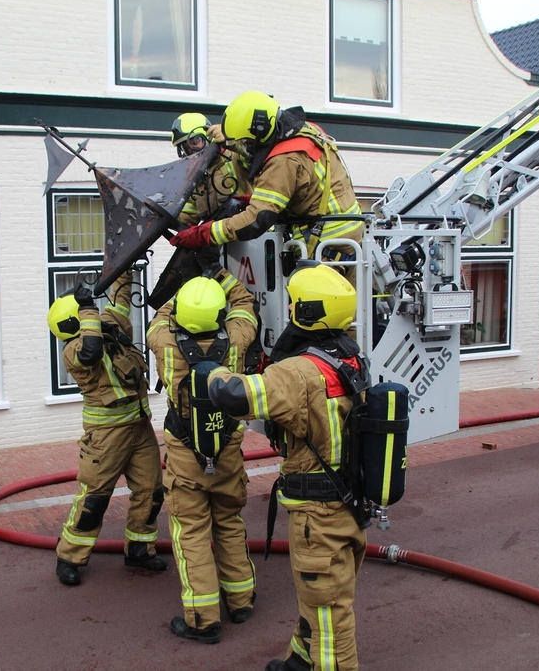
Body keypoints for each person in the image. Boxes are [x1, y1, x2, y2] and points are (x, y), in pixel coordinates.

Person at [206, 263, 368, 671]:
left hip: (319, 512)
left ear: (306, 311)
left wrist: (211, 370)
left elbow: (236, 396)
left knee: (329, 609)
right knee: (320, 595)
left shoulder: (299, 373)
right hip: (348, 502)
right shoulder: (349, 356)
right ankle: (300, 659)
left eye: (294, 302)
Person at [146, 264, 259, 644]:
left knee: (191, 533)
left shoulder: (162, 342)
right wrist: (220, 274)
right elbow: (244, 303)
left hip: (184, 456)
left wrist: (178, 291)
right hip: (227, 450)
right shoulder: (239, 340)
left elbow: (160, 317)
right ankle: (241, 601)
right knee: (229, 521)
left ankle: (202, 619)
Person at [47, 269, 167, 585]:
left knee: (152, 491)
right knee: (94, 499)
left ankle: (139, 548)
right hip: (106, 437)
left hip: (139, 428)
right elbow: (92, 350)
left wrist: (122, 271)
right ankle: (69, 556)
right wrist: (88, 308)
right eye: (89, 314)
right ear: (77, 321)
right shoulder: (74, 351)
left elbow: (122, 302)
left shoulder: (110, 327)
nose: (97, 316)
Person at [170, 91, 364, 280]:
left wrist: (206, 233)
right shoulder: (302, 131)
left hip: (326, 246)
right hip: (343, 240)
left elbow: (257, 219)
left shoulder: (284, 159)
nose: (245, 147)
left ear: (261, 131)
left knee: (321, 309)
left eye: (247, 142)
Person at [170, 111, 251, 226]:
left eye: (195, 142)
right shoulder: (195, 177)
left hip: (255, 236)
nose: (192, 151)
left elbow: (253, 158)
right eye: (186, 148)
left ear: (209, 137)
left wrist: (230, 141)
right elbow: (190, 216)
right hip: (223, 238)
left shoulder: (232, 156)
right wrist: (163, 214)